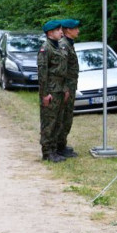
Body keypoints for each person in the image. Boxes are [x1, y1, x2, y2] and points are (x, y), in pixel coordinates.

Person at [37, 20, 70, 163]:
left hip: (60, 89)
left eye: (61, 30)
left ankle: (54, 150)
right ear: (50, 33)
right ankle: (47, 152)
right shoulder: (46, 48)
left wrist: (66, 88)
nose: (61, 32)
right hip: (50, 90)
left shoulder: (59, 47)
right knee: (48, 123)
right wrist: (44, 94)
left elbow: (64, 70)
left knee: (57, 122)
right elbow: (42, 74)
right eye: (58, 30)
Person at [57, 19, 81, 157]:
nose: (78, 31)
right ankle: (59, 147)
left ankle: (62, 144)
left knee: (67, 117)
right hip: (66, 88)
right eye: (75, 28)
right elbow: (62, 69)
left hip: (70, 86)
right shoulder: (64, 45)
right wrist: (65, 88)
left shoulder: (69, 44)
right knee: (64, 117)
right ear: (67, 30)